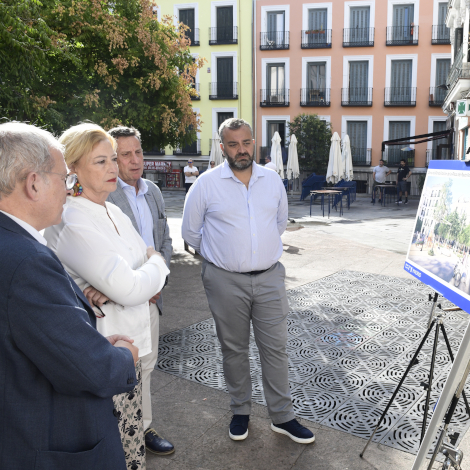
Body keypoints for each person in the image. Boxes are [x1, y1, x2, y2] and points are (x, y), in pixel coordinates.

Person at [0, 122, 139, 470]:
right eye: (64, 178)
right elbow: (92, 370)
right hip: (46, 442)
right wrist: (124, 356)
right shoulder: (27, 262)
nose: (69, 188)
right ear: (34, 183)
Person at [44, 123, 170, 470]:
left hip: (134, 337)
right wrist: (155, 264)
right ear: (73, 169)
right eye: (101, 161)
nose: (113, 167)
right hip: (104, 348)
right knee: (110, 444)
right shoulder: (72, 217)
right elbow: (130, 286)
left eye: (113, 159)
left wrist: (139, 275)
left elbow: (133, 279)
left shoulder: (113, 210)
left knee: (132, 432)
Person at [182, 118, 315, 445]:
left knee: (276, 349)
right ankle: (240, 410)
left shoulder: (272, 180)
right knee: (234, 349)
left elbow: (280, 224)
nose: (241, 150)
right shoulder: (206, 184)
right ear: (222, 147)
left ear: (253, 142)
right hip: (225, 281)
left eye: (245, 143)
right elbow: (191, 233)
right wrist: (223, 257)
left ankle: (282, 416)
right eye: (233, 144)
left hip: (270, 278)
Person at [106, 125, 174, 455]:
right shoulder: (105, 197)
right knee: (121, 368)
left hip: (152, 298)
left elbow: (165, 240)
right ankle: (115, 435)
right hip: (120, 300)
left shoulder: (153, 191)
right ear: (112, 159)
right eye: (125, 155)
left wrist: (158, 281)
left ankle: (143, 428)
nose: (135, 160)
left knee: (147, 364)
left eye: (138, 152)